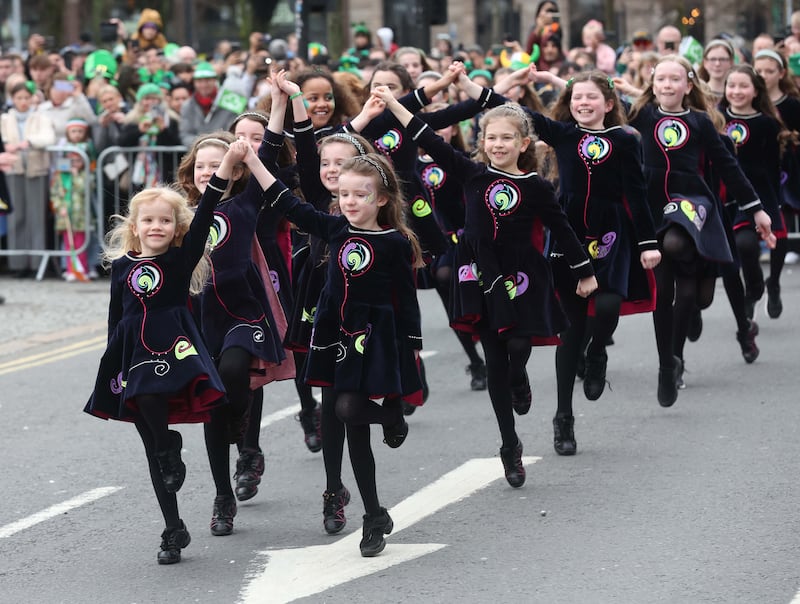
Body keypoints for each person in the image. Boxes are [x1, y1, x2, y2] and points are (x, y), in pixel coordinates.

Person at [372, 74, 597, 487]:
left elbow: (562, 229)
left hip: (522, 273)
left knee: (517, 345)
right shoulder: (470, 173)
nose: (498, 144)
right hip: (477, 272)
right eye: (491, 137)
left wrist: (584, 272)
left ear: (523, 144)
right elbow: (424, 133)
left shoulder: (536, 187)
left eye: (507, 138)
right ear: (482, 140)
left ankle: (519, 377)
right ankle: (509, 444)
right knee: (494, 356)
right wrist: (392, 101)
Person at [262, 131, 424, 556]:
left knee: (351, 412)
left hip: (374, 338)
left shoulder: (395, 243)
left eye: (361, 195)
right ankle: (374, 516)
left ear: (383, 200)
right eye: (345, 194)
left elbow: (406, 301)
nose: (351, 202)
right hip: (334, 334)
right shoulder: (333, 228)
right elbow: (287, 202)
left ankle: (391, 417)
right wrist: (255, 162)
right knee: (348, 421)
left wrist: (411, 351)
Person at [83, 141, 245, 563]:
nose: (156, 226)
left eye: (165, 221)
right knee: (153, 445)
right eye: (148, 220)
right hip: (132, 352)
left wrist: (226, 164)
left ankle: (168, 444)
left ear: (177, 228)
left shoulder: (180, 259)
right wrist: (110, 366)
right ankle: (173, 527)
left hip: (173, 348)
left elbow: (208, 207)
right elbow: (114, 318)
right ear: (135, 226)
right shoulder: (121, 268)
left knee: (155, 405)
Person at [265, 70, 381, 534]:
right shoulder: (316, 197)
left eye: (342, 162)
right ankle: (335, 492)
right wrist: (292, 98)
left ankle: (373, 503)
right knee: (333, 403)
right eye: (326, 163)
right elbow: (304, 140)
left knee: (355, 410)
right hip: (324, 308)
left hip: (369, 315)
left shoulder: (373, 206)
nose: (332, 170)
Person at [521, 67, 660, 454]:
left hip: (612, 230)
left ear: (609, 104)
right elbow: (518, 113)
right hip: (567, 231)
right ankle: (563, 418)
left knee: (609, 302)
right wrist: (490, 86)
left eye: (592, 97)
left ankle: (597, 353)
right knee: (571, 329)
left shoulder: (626, 139)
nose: (584, 103)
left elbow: (637, 194)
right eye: (577, 97)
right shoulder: (563, 133)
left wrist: (648, 242)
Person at [627, 55, 775, 406]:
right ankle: (669, 363)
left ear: (688, 86)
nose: (667, 85)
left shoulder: (700, 122)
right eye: (660, 79)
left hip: (691, 200)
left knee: (693, 288)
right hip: (651, 204)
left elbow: (728, 167)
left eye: (674, 79)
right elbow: (596, 105)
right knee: (664, 291)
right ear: (652, 84)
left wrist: (756, 209)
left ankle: (691, 329)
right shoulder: (642, 115)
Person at [175, 132, 292, 533]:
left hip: (244, 313)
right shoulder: (181, 214)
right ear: (190, 173)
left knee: (235, 370)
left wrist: (279, 103)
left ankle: (241, 420)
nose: (209, 171)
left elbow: (272, 157)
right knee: (213, 408)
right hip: (201, 319)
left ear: (236, 170)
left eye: (218, 163)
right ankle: (223, 496)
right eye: (202, 165)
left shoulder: (245, 204)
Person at [720, 65, 788, 322]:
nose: (736, 91)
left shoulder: (768, 124)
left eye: (743, 86)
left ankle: (761, 287)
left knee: (758, 241)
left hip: (760, 193)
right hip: (728, 194)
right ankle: (755, 286)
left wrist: (775, 200)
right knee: (742, 245)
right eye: (732, 85)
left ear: (756, 90)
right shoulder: (715, 118)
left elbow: (773, 165)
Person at [754, 48, 800, 318]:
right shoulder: (749, 98)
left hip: (784, 173)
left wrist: (790, 138)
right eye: (758, 70)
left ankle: (774, 281)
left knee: (779, 226)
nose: (763, 76)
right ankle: (755, 282)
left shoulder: (791, 104)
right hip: (755, 174)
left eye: (769, 71)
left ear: (781, 73)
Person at [0, 80, 55, 277]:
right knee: (17, 217)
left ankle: (36, 263)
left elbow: (49, 137)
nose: (23, 102)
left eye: (26, 97)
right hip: (13, 170)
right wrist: (7, 147)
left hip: (35, 170)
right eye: (18, 98)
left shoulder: (40, 117)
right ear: (12, 99)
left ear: (32, 98)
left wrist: (28, 142)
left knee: (36, 217)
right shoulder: (5, 118)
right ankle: (18, 263)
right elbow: (3, 140)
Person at [50, 118, 93, 281]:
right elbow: (56, 193)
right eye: (72, 160)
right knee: (69, 243)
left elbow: (85, 189)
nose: (75, 163)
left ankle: (82, 268)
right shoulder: (61, 176)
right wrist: (59, 206)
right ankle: (70, 268)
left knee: (81, 243)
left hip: (81, 215)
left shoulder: (84, 175)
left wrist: (76, 176)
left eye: (78, 160)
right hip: (66, 213)